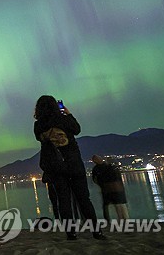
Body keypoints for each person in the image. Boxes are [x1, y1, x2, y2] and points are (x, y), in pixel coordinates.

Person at [34, 95, 105, 240]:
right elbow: (77, 129)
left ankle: (71, 233)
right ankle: (96, 232)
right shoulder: (63, 119)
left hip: (55, 167)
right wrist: (68, 114)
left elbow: (39, 138)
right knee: (84, 199)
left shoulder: (38, 125)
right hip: (74, 164)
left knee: (63, 201)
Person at [92, 155, 129, 222]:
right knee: (117, 204)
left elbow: (96, 179)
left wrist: (102, 185)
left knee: (116, 204)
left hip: (112, 188)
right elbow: (96, 179)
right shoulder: (109, 167)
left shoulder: (103, 168)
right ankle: (121, 219)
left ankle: (121, 219)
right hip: (112, 188)